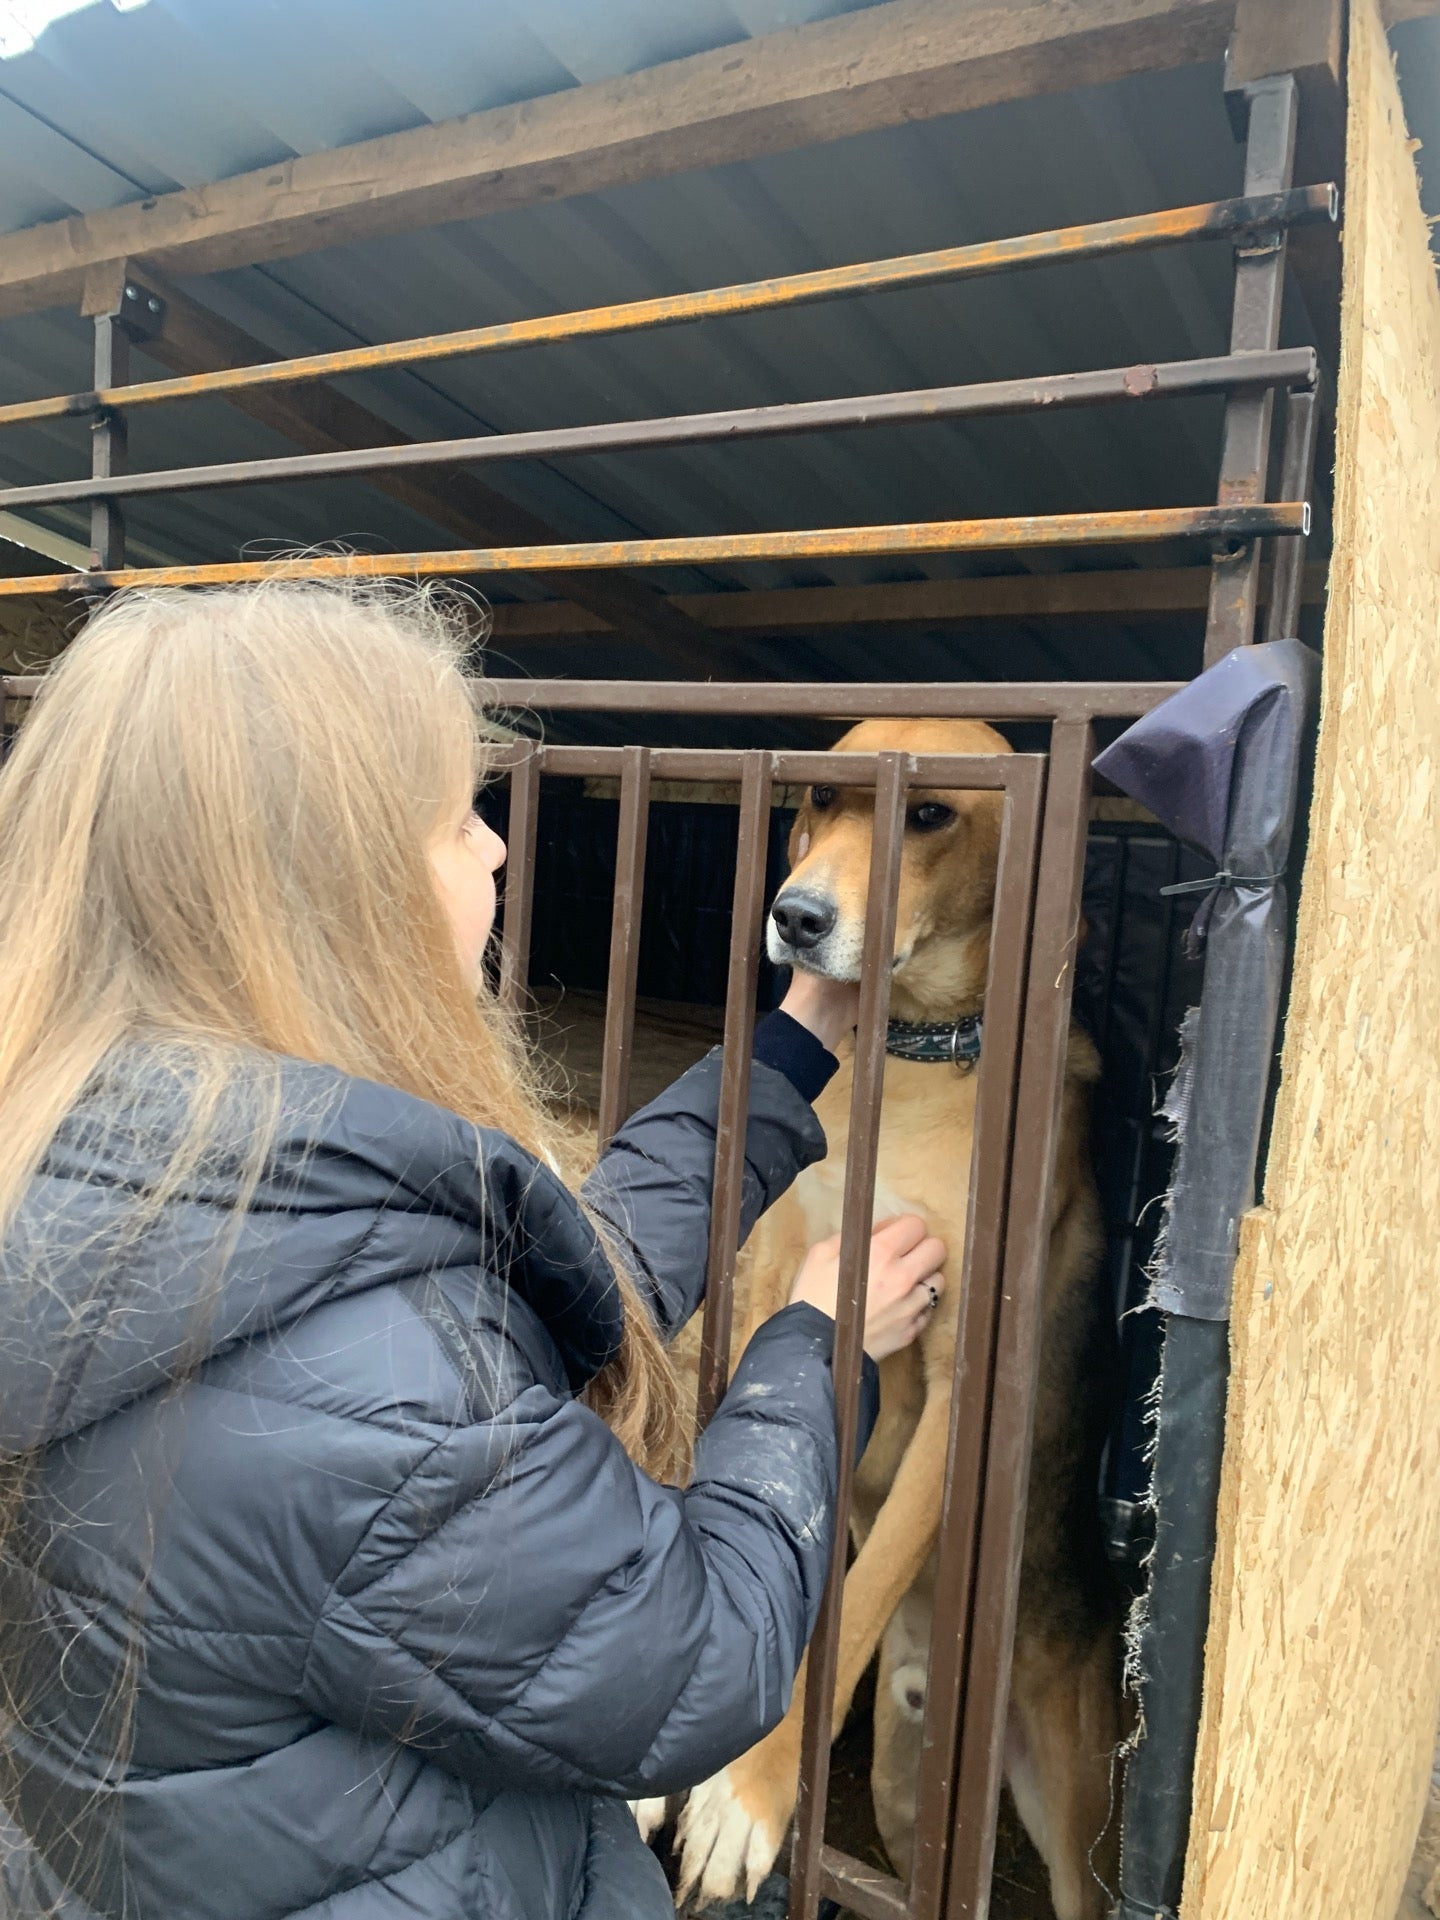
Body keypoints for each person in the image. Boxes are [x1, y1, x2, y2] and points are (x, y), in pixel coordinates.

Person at [0, 581, 947, 1920]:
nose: (501, 851)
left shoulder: (122, 1168)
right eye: (456, 817)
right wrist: (819, 1347)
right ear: (327, 889)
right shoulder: (381, 1394)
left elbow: (542, 1290)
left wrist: (790, 1053)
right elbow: (693, 1659)